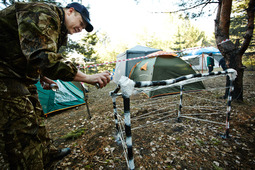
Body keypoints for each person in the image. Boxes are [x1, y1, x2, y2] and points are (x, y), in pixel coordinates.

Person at [0, 2, 111, 169]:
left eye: (83, 27)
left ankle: (46, 154)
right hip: (4, 74)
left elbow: (30, 49)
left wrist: (41, 75)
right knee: (22, 127)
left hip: (19, 73)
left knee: (37, 116)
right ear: (70, 11)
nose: (80, 28)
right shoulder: (42, 13)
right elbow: (43, 57)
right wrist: (87, 77)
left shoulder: (57, 28)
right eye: (81, 23)